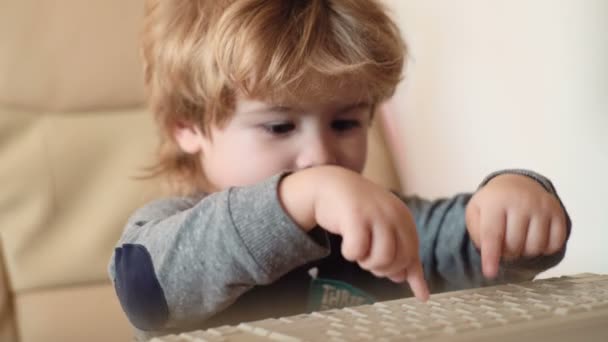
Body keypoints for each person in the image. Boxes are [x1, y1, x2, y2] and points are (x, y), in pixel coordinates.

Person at [109, 0, 571, 339]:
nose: (320, 156)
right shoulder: (168, 231)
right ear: (186, 126)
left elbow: (471, 243)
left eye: (345, 122)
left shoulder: (387, 220)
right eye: (279, 125)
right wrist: (297, 198)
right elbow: (146, 291)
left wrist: (512, 201)